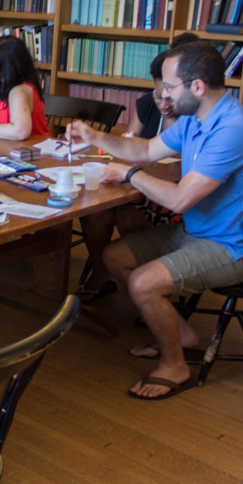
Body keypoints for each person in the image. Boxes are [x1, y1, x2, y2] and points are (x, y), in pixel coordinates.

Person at [67, 41, 243, 402]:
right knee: (115, 257)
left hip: (232, 246)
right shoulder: (197, 119)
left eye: (169, 86)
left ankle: (176, 364)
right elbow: (146, 149)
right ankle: (184, 335)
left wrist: (130, 175)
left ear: (197, 87)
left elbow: (179, 198)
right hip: (196, 230)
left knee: (144, 284)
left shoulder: (232, 130)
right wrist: (94, 137)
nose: (163, 94)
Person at [77, 33, 199, 302]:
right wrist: (98, 138)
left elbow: (183, 190)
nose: (164, 101)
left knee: (126, 213)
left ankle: (151, 287)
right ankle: (102, 271)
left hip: (178, 199)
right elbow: (134, 146)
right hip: (144, 186)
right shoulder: (148, 105)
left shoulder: (196, 118)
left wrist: (132, 170)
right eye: (159, 94)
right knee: (96, 208)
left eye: (170, 92)